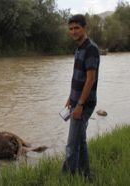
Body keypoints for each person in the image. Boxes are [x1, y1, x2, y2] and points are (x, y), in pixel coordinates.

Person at [62, 14, 100, 179]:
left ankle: (67, 178)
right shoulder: (79, 47)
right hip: (77, 100)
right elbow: (79, 76)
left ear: (85, 28)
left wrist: (79, 105)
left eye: (77, 28)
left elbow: (91, 79)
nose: (73, 31)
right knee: (81, 141)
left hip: (84, 104)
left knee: (71, 145)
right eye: (71, 28)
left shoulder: (91, 48)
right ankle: (86, 175)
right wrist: (71, 97)